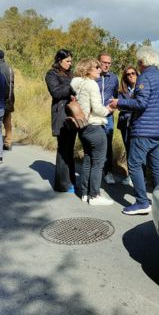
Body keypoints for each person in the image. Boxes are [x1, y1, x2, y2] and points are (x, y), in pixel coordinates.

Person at [109, 46, 159, 215]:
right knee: (156, 165)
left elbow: (141, 104)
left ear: (142, 62)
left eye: (138, 62)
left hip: (144, 130)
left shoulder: (145, 78)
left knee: (134, 164)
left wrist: (118, 103)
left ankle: (142, 202)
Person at [71, 58, 114, 205]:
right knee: (98, 163)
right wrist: (108, 110)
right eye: (97, 67)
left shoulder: (79, 84)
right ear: (88, 69)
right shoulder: (92, 84)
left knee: (88, 160)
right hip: (95, 127)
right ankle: (94, 195)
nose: (100, 69)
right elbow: (97, 108)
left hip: (83, 127)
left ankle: (84, 193)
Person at [45, 49, 77, 192]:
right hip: (61, 115)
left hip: (73, 114)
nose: (70, 64)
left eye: (71, 61)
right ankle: (62, 184)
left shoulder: (71, 74)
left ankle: (70, 179)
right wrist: (73, 87)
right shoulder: (51, 74)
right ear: (59, 60)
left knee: (70, 149)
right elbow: (56, 92)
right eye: (67, 61)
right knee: (63, 149)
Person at [96, 53, 118, 185]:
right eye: (104, 62)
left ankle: (108, 172)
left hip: (108, 116)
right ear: (98, 62)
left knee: (107, 144)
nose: (106, 65)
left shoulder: (114, 78)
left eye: (109, 63)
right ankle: (95, 171)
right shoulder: (93, 76)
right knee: (95, 142)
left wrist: (112, 108)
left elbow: (115, 95)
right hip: (94, 115)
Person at [116, 65, 138, 186]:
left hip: (137, 124)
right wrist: (132, 105)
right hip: (125, 124)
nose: (130, 76)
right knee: (128, 149)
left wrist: (127, 105)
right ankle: (130, 175)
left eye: (133, 73)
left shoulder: (142, 88)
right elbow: (119, 106)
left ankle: (140, 177)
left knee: (137, 151)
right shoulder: (122, 90)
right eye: (128, 74)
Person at [0, 49, 15, 151]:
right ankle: (8, 142)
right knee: (7, 121)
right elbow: (12, 84)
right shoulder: (10, 68)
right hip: (10, 98)